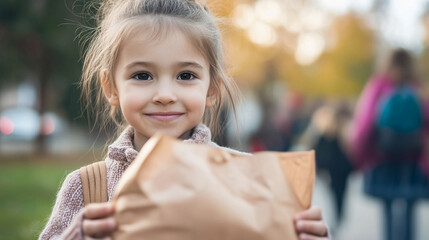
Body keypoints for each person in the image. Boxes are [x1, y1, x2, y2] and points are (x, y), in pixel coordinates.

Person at [39, 1, 330, 240]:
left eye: (186, 76)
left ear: (212, 89)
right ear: (111, 88)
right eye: (142, 75)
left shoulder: (248, 182)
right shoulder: (86, 189)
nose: (165, 95)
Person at [349, 48, 429, 240]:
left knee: (387, 211)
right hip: (411, 159)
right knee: (409, 211)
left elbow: (366, 122)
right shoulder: (416, 87)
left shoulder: (379, 85)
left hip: (383, 157)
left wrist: (360, 155)